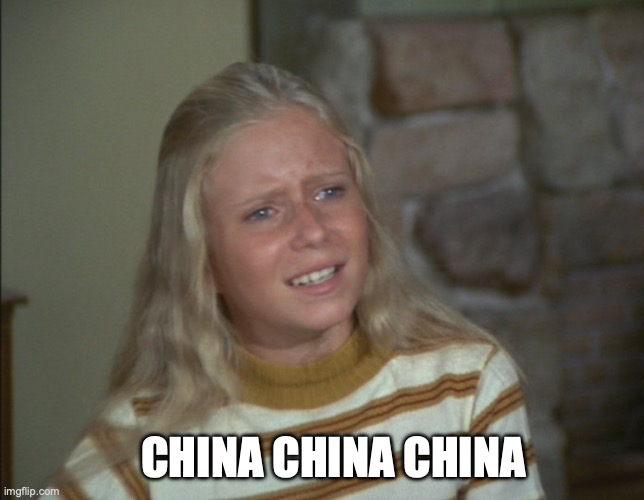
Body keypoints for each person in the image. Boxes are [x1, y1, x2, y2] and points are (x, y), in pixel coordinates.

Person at [48, 62, 545, 499]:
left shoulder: (467, 389)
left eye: (329, 192)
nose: (313, 231)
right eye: (263, 212)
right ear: (201, 263)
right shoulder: (136, 450)